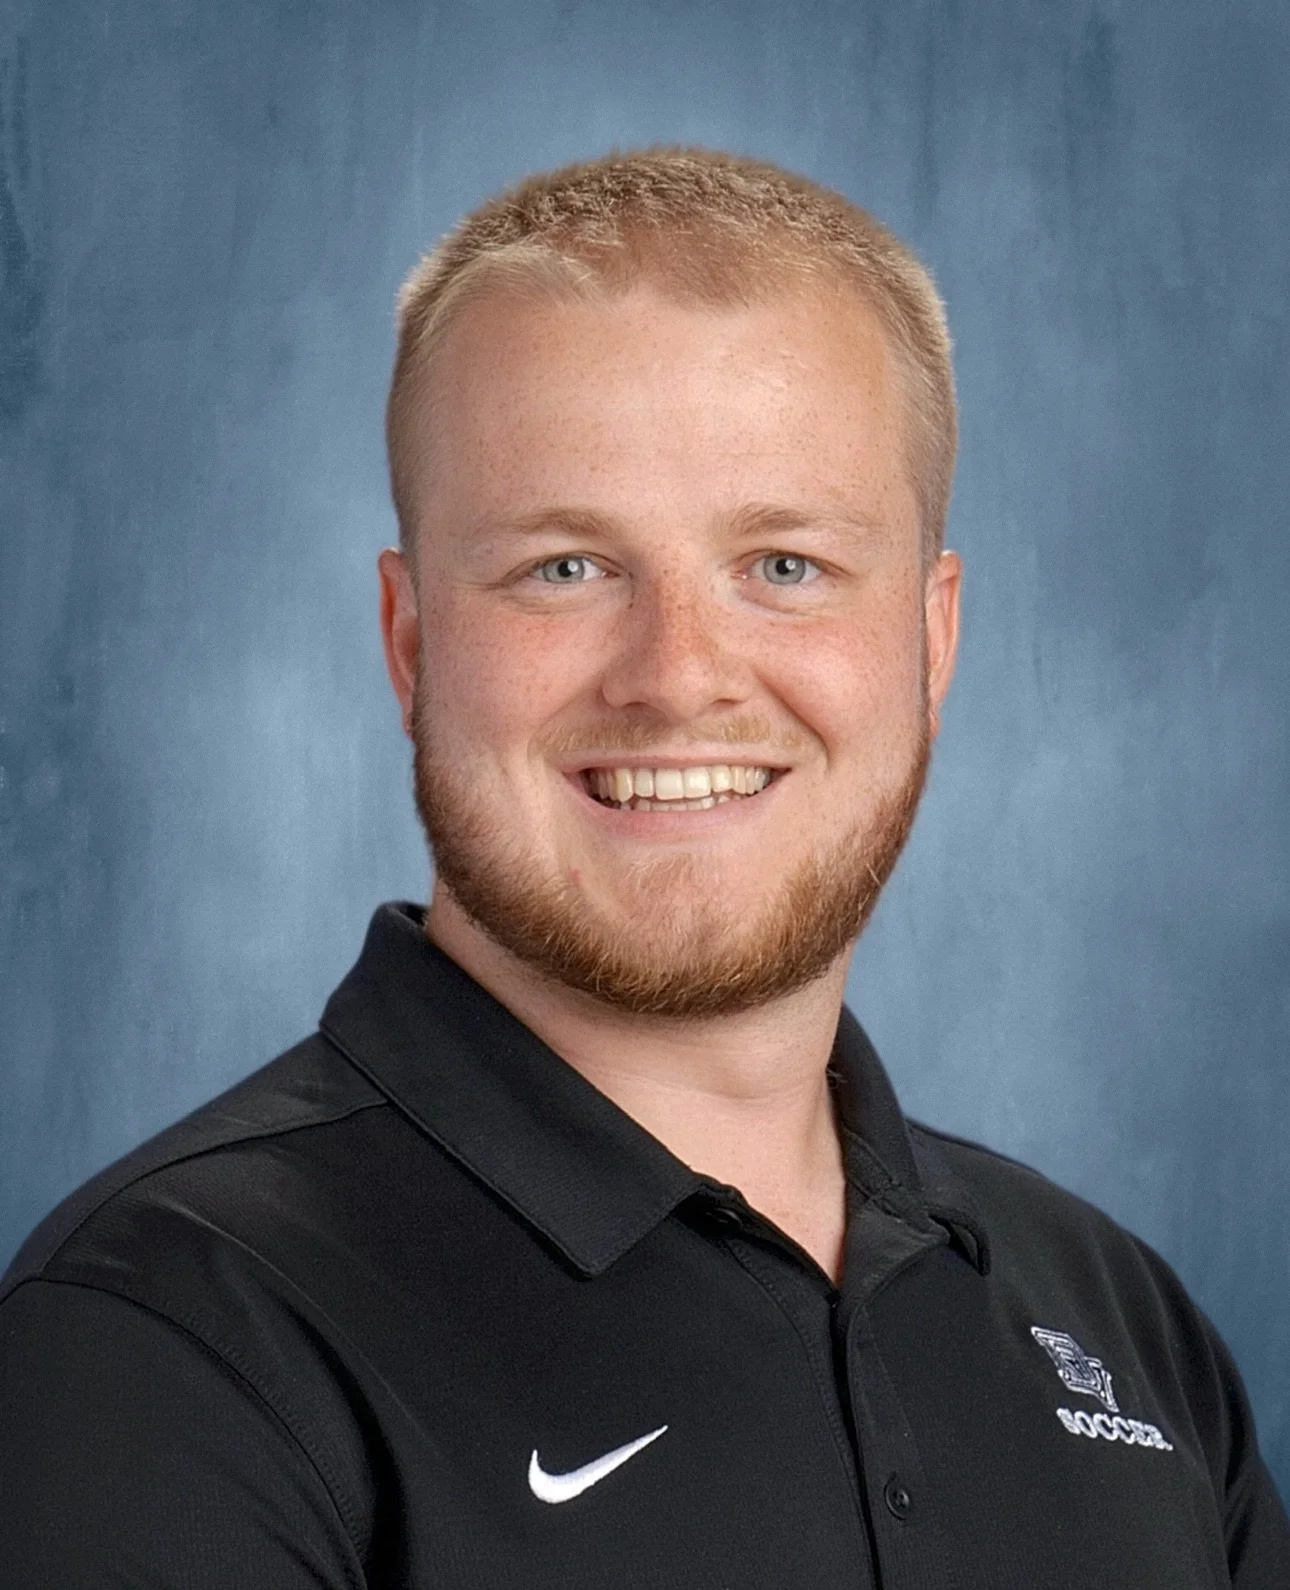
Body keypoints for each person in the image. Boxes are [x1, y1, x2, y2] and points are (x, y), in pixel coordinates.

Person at [1, 149, 1285, 1588]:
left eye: (784, 565)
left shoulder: (1124, 1328)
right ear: (411, 642)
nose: (677, 676)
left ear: (930, 642)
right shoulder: (167, 1337)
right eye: (565, 567)